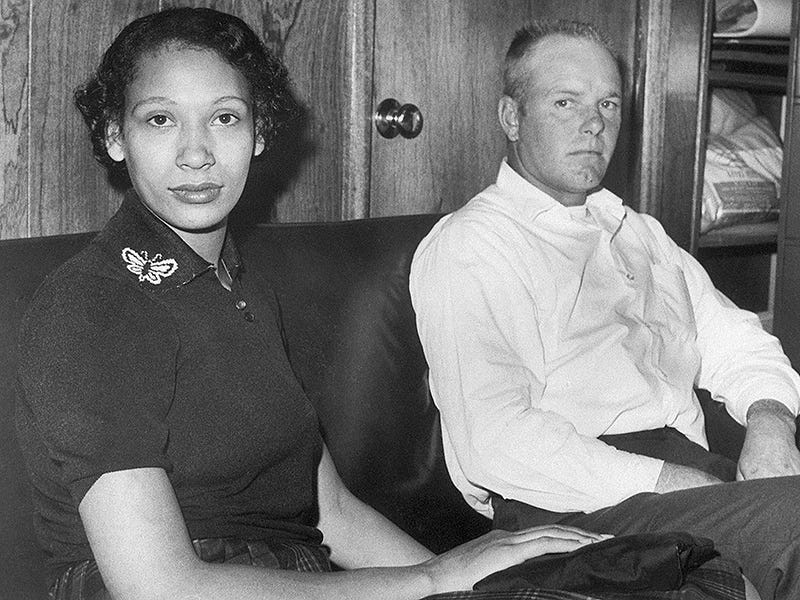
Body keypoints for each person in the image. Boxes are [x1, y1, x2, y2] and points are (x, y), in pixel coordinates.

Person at [13, 8, 628, 600]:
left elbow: (328, 510)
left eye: (225, 118)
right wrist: (433, 581)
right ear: (115, 137)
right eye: (160, 120)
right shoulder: (89, 306)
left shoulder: (241, 287)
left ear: (259, 134)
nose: (196, 153)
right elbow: (156, 586)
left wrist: (476, 582)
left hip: (294, 576)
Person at [409, 18, 800, 600]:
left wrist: (771, 422)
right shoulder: (475, 244)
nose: (594, 124)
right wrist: (671, 481)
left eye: (608, 105)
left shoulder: (638, 232)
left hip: (685, 479)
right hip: (569, 507)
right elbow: (497, 440)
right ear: (511, 117)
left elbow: (737, 341)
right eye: (565, 102)